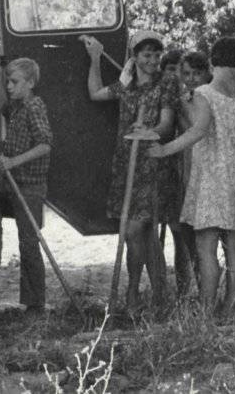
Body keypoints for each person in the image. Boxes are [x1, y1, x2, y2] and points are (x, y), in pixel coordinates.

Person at [147, 38, 235, 314]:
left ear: (212, 63)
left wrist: (164, 149)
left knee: (206, 247)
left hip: (210, 177)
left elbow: (198, 130)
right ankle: (233, 304)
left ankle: (206, 307)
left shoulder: (205, 92)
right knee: (233, 246)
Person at [85, 30, 177, 310]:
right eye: (147, 55)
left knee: (138, 228)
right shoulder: (126, 84)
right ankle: (141, 293)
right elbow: (95, 93)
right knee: (136, 232)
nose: (152, 60)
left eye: (156, 55)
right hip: (127, 163)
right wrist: (95, 58)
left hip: (152, 161)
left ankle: (143, 293)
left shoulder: (166, 83)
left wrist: (148, 131)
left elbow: (166, 123)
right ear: (135, 57)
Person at [0, 58, 54, 314]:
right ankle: (29, 300)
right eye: (7, 82)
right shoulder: (16, 107)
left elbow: (45, 144)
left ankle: (35, 304)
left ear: (30, 83)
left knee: (29, 243)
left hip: (30, 186)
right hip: (14, 183)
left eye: (14, 82)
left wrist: (13, 161)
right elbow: (0, 104)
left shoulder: (34, 106)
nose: (9, 86)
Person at [168, 50, 211, 298]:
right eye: (186, 74)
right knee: (184, 233)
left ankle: (212, 292)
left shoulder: (209, 97)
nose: (192, 78)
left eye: (197, 73)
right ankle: (185, 291)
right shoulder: (180, 98)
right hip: (185, 167)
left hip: (209, 167)